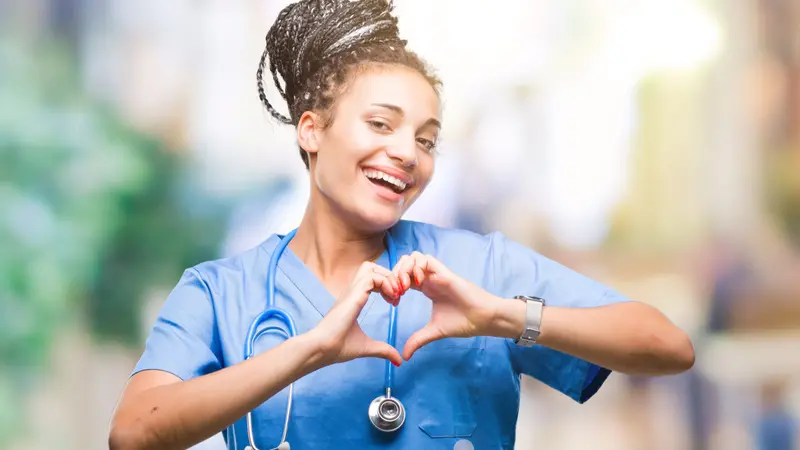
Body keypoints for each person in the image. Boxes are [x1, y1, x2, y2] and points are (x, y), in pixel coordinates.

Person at [108, 1, 695, 449]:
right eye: (381, 124)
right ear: (311, 130)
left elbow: (667, 346)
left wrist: (501, 315)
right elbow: (133, 433)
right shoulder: (219, 291)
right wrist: (309, 350)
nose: (408, 154)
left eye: (426, 139)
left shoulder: (477, 269)